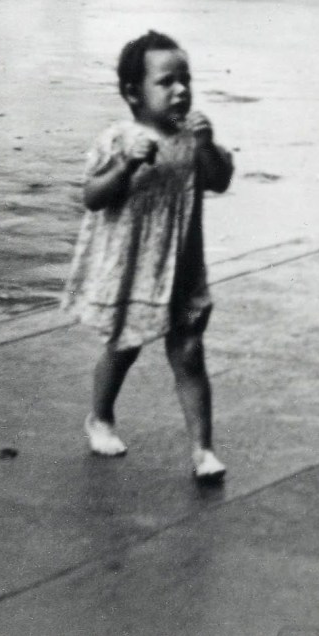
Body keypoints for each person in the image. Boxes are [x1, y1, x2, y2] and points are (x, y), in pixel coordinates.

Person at [61, 30, 234, 482]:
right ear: (133, 93)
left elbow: (219, 180)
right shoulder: (119, 139)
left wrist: (207, 146)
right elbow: (93, 196)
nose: (180, 90)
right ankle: (100, 417)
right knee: (124, 346)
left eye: (186, 80)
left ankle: (203, 451)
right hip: (133, 268)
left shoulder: (192, 139)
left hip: (182, 268)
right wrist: (127, 164)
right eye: (166, 82)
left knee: (189, 352)